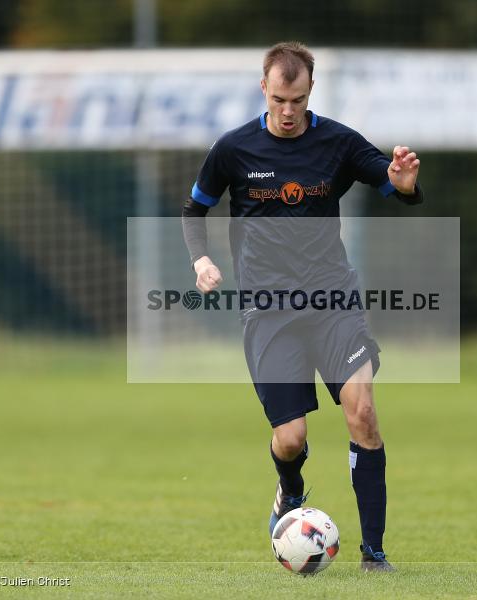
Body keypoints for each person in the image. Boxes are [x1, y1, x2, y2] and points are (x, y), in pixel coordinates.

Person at [181, 41, 423, 572]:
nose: (287, 112)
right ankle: (289, 492)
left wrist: (403, 184)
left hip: (334, 301)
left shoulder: (336, 142)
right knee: (290, 439)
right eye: (278, 100)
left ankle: (374, 555)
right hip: (269, 312)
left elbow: (390, 178)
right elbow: (193, 208)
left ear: (309, 92)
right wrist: (200, 261)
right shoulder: (233, 148)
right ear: (262, 90)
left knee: (362, 412)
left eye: (297, 100)